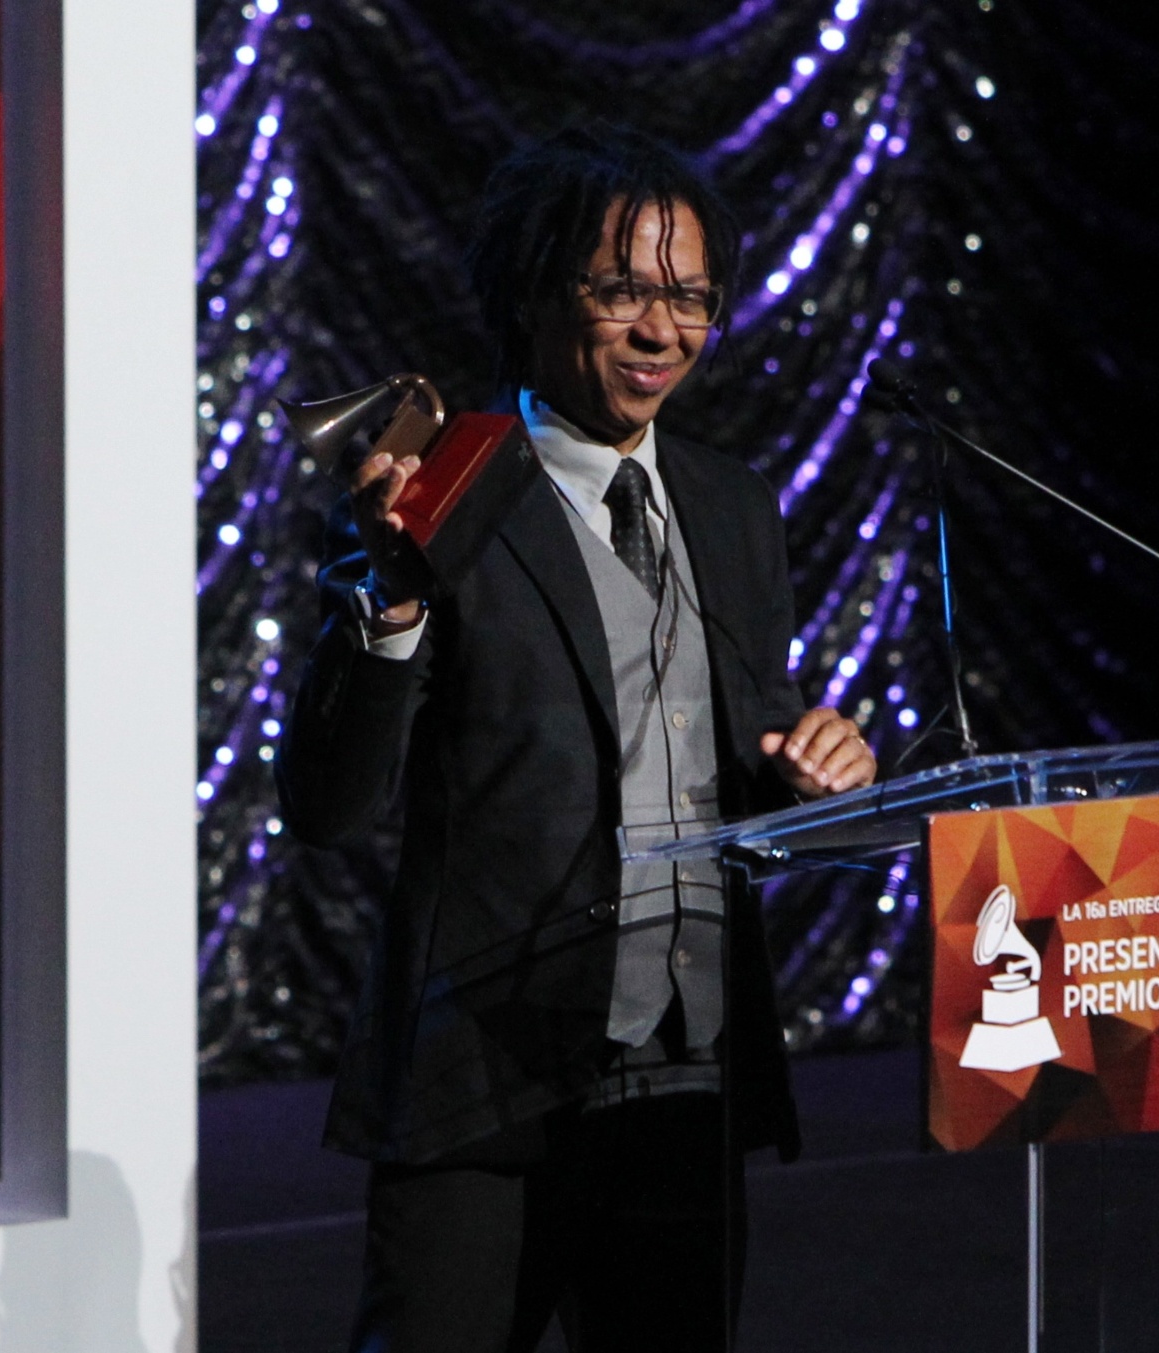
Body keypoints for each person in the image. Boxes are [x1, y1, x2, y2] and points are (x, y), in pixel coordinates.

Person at [277, 122, 876, 1353]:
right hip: (481, 1095)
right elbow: (328, 810)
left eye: (693, 297)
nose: (664, 331)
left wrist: (820, 770)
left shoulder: (733, 502)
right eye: (624, 292)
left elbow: (743, 753)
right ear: (535, 290)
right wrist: (387, 609)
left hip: (685, 1082)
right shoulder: (433, 490)